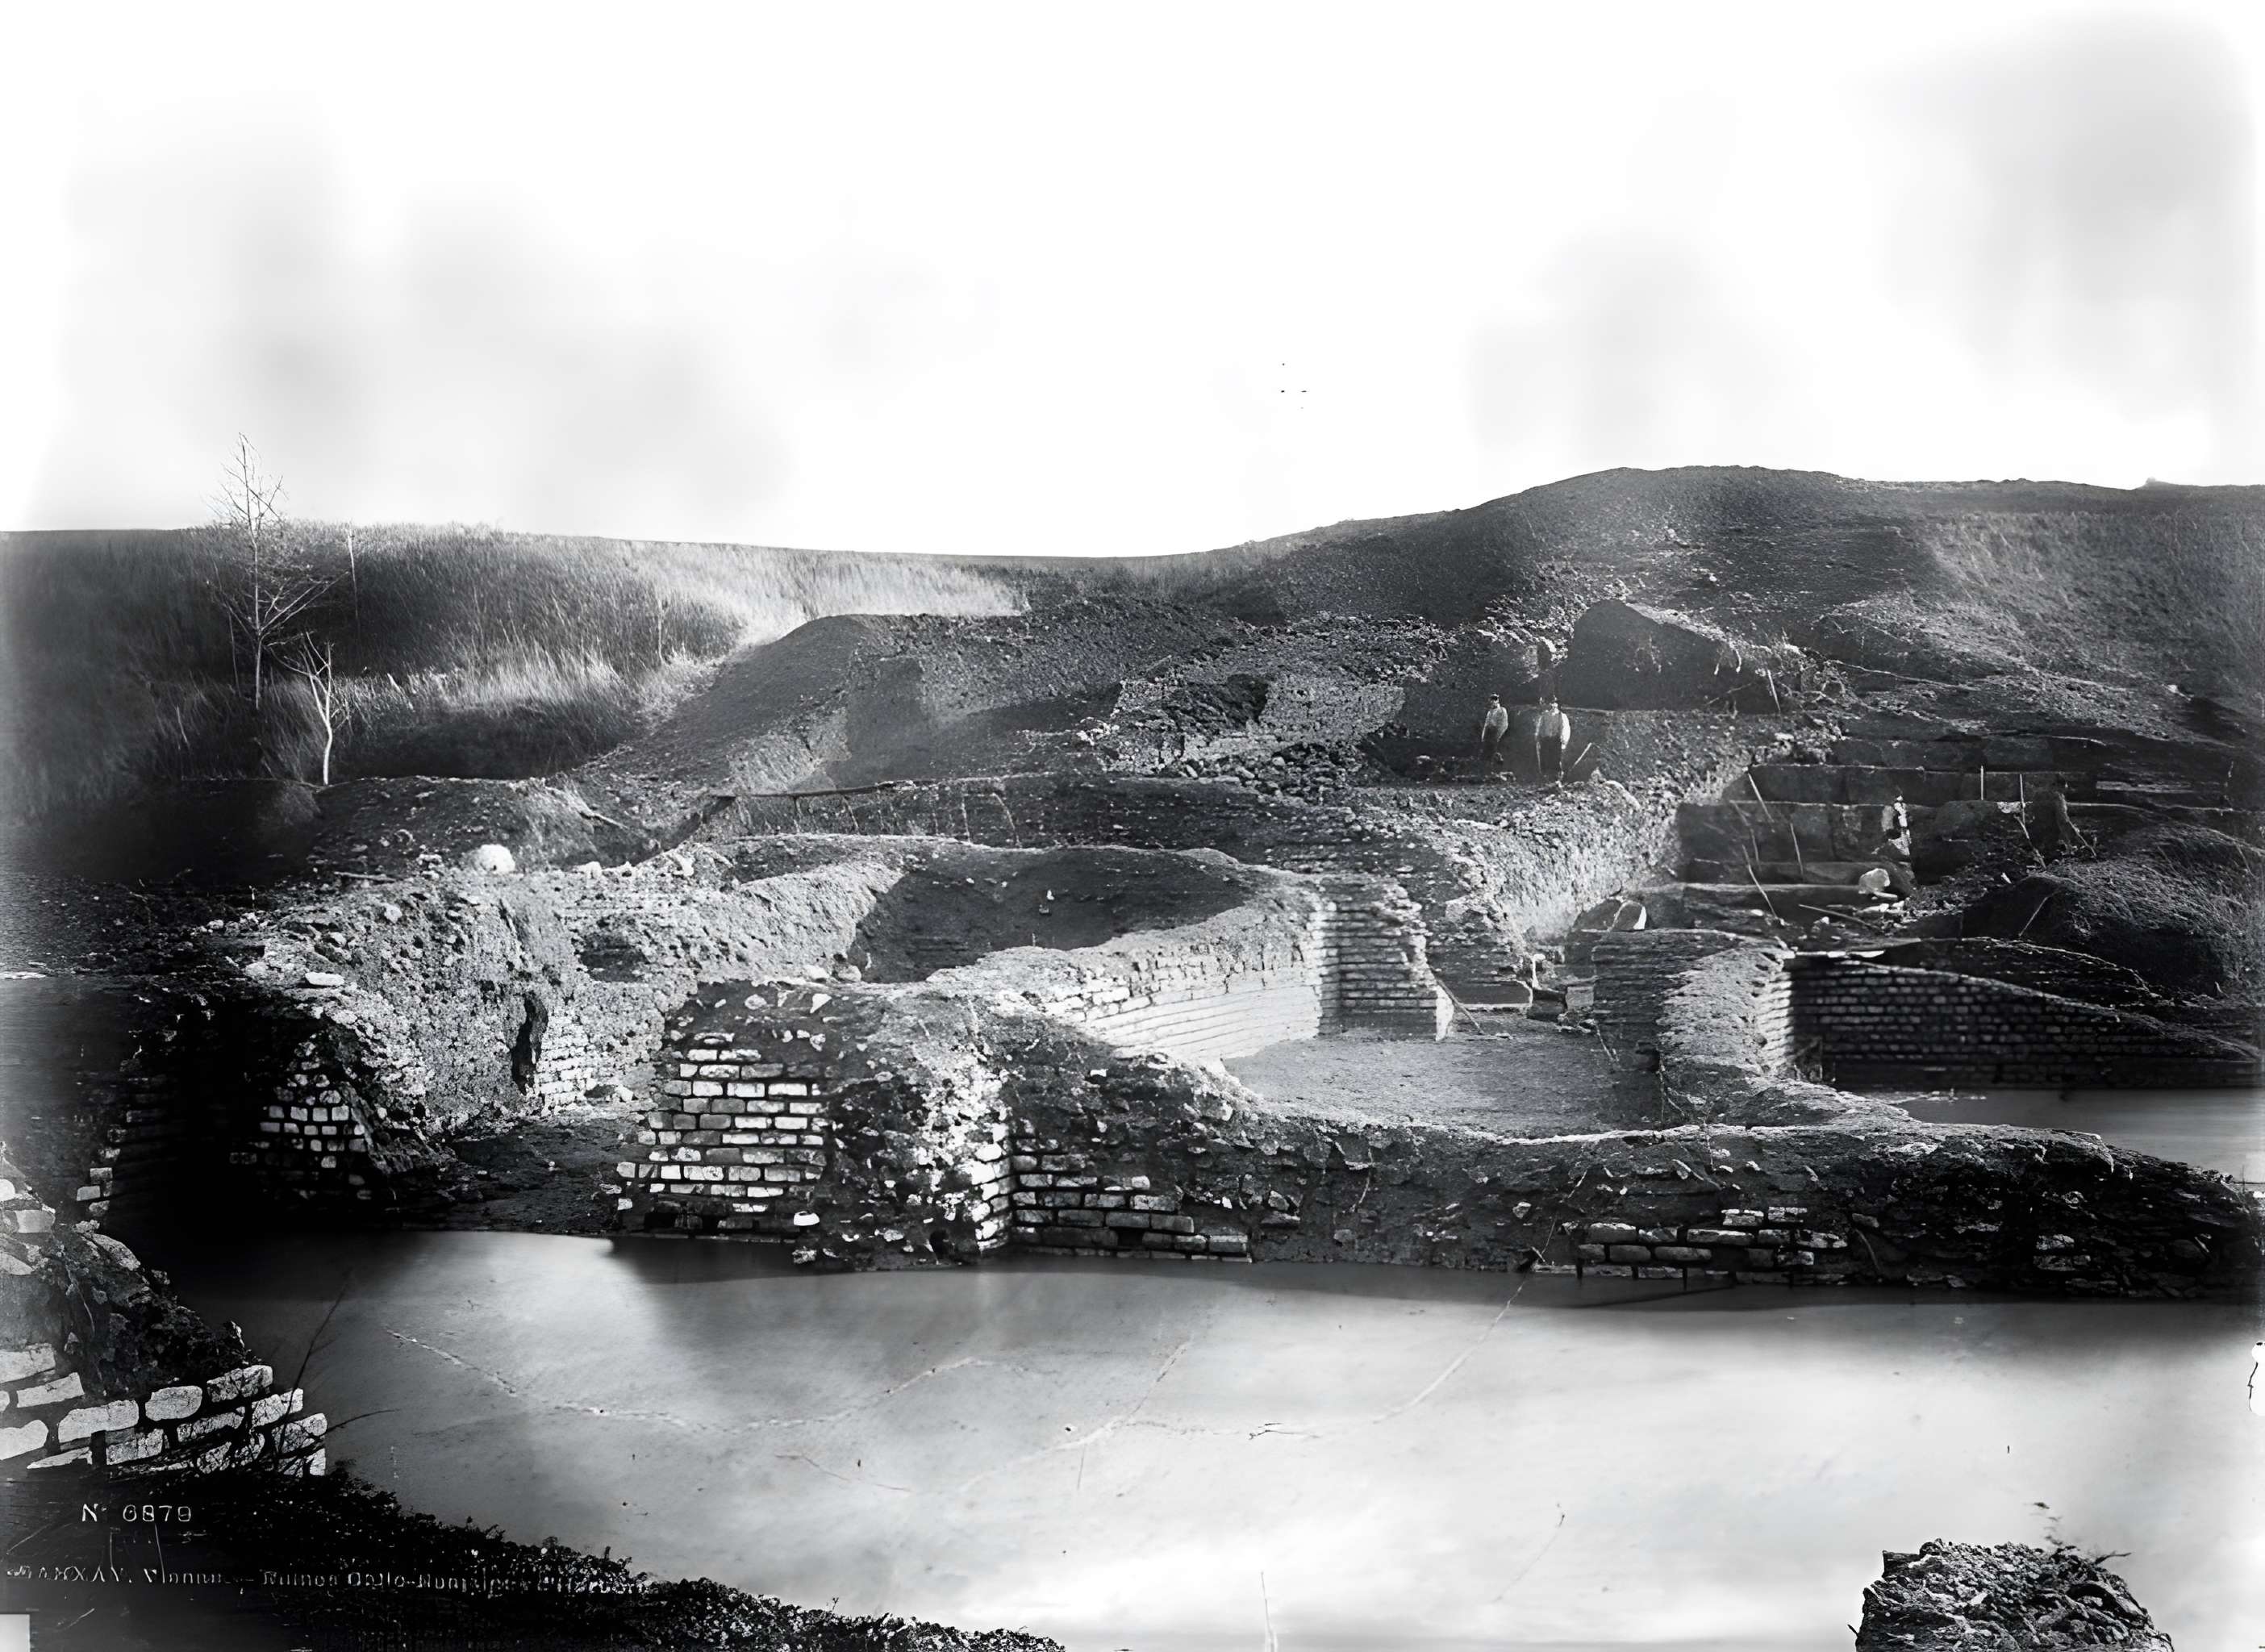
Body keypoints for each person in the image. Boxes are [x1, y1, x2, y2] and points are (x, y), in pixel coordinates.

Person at [1536, 698, 1571, 786]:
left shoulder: (1561, 716)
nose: (1553, 705)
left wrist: (1563, 741)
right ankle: (1545, 777)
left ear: (1558, 705)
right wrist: (1538, 737)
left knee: (1556, 758)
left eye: (1555, 703)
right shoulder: (1545, 715)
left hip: (1556, 741)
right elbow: (1540, 727)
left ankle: (1557, 777)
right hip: (1546, 740)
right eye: (1552, 703)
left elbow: (1564, 729)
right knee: (1545, 757)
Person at [1478, 695, 1510, 778]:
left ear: (1497, 701)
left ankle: (1498, 770)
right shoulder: (1490, 712)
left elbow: (1504, 723)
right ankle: (1488, 771)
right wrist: (1483, 736)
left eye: (1495, 700)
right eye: (1491, 700)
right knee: (1487, 752)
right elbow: (1486, 724)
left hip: (1496, 733)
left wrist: (1499, 734)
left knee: (1494, 751)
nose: (1493, 702)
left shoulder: (1502, 711)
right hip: (1489, 733)